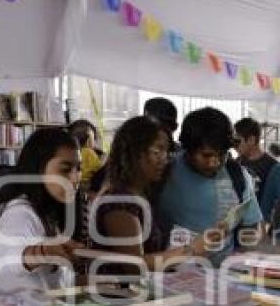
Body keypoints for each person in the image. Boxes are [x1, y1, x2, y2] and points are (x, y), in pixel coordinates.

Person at [91, 116, 219, 270]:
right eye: (157, 152)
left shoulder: (141, 193)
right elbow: (133, 266)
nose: (164, 160)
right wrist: (189, 250)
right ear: (135, 152)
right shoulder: (119, 201)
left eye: (166, 152)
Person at [158, 107, 263, 260]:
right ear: (188, 149)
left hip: (223, 275)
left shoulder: (238, 176)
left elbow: (252, 227)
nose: (215, 162)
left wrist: (245, 255)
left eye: (222, 154)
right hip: (169, 272)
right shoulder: (163, 173)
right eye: (206, 155)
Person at [0, 127, 84, 289]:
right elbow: (3, 261)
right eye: (65, 170)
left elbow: (58, 281)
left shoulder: (47, 212)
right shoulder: (19, 214)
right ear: (38, 169)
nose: (76, 178)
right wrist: (43, 252)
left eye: (79, 169)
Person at [233, 117, 275, 199]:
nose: (234, 146)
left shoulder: (273, 168)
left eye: (237, 141)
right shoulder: (235, 165)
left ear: (251, 140)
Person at [68, 119, 103, 188]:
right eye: (93, 137)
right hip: (89, 185)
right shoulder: (89, 153)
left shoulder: (69, 152)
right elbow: (99, 168)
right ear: (89, 139)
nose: (95, 141)